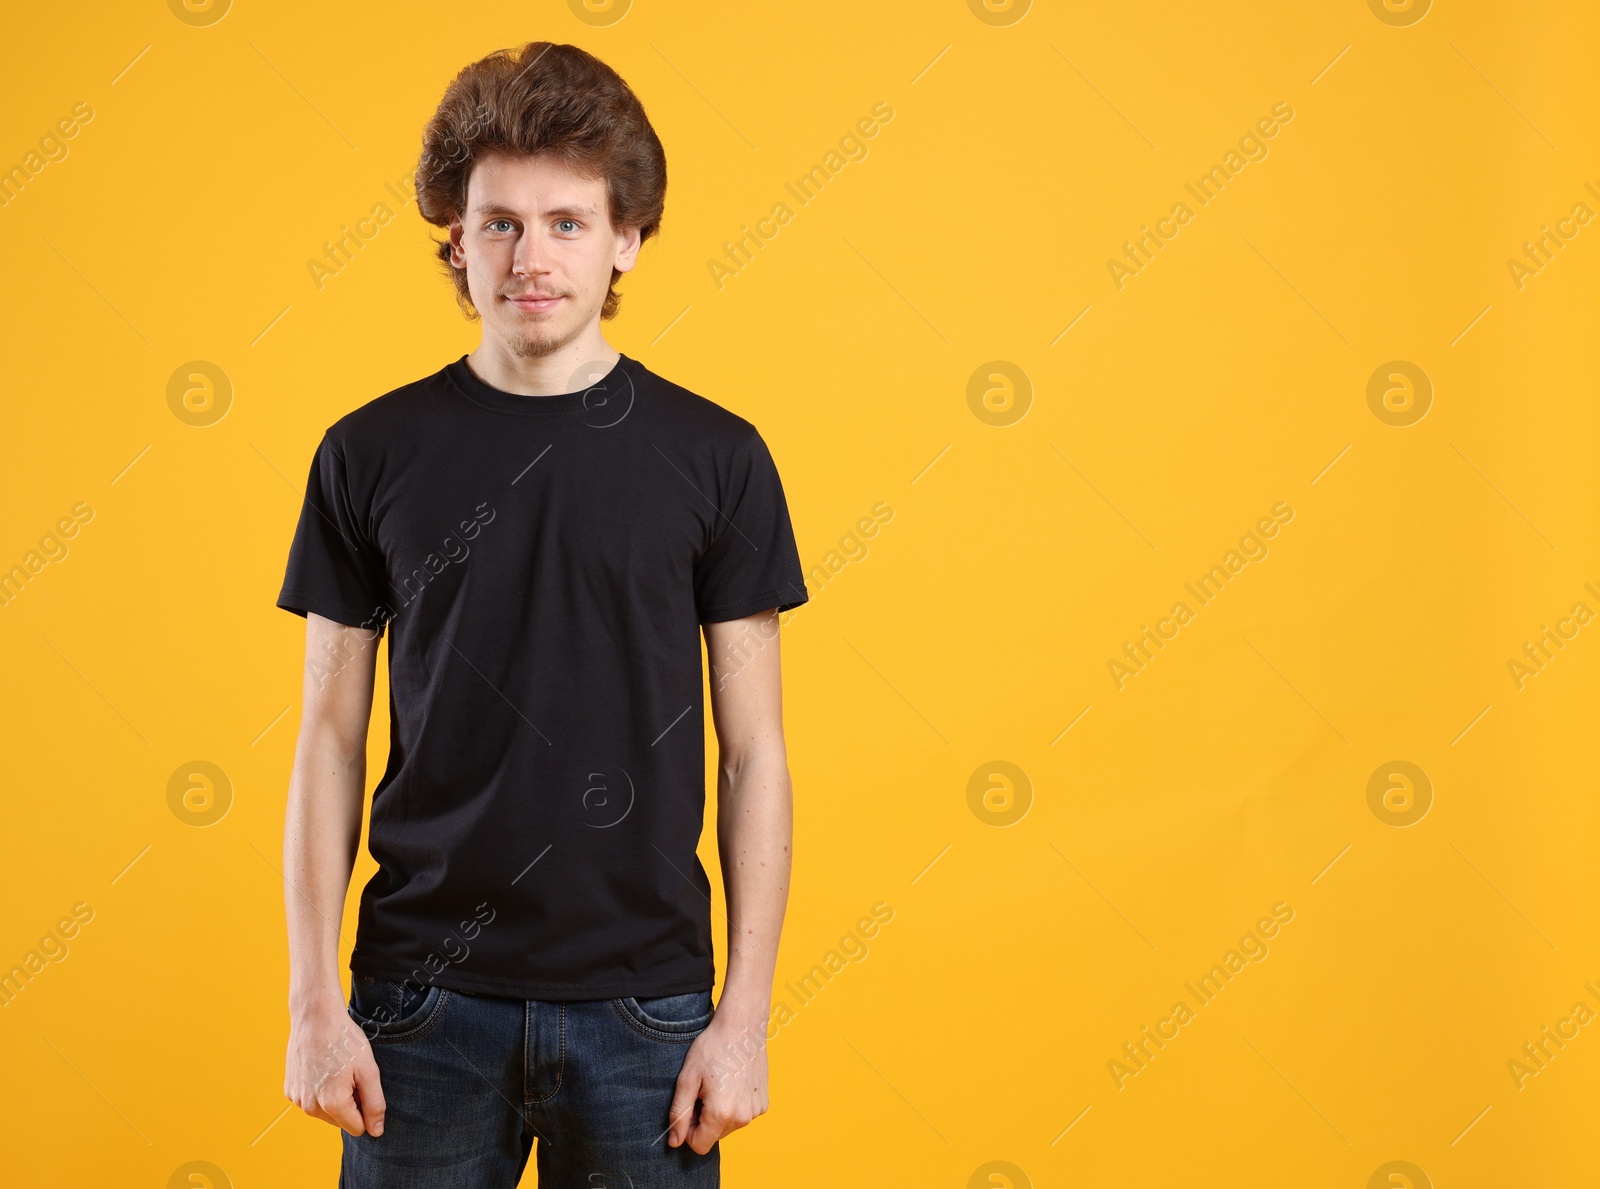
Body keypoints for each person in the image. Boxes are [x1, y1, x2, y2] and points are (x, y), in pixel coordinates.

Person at [275, 40, 808, 1187]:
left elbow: (755, 749)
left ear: (626, 239)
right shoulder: (366, 454)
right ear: (455, 240)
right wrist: (314, 1000)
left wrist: (743, 1017)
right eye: (500, 222)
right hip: (417, 1010)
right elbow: (327, 737)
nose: (531, 257)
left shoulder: (718, 459)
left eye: (568, 223)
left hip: (648, 1015)